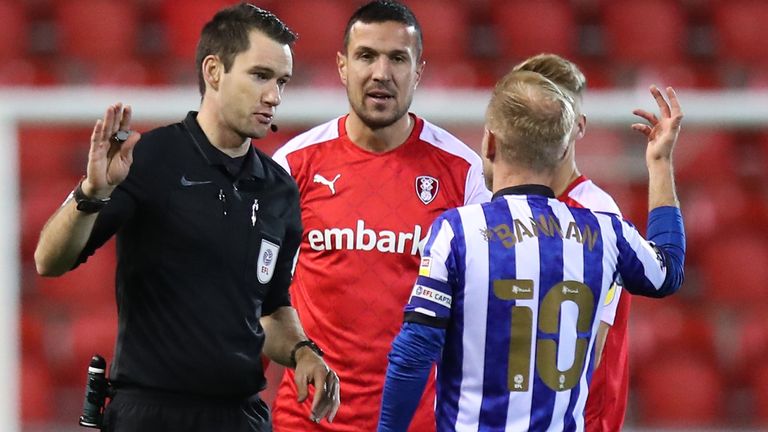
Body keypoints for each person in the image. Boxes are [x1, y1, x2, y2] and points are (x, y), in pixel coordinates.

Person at [33, 4, 339, 431]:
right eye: (260, 76)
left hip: (240, 415)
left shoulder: (280, 191)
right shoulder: (148, 159)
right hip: (150, 414)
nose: (275, 95)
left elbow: (269, 310)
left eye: (281, 81)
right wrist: (91, 193)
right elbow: (49, 261)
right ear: (214, 71)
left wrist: (304, 351)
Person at [377, 71, 686, 431]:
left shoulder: (456, 231)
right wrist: (661, 164)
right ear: (564, 151)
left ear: (490, 143)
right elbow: (670, 271)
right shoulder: (606, 232)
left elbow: (414, 352)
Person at [270, 1, 490, 431]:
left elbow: (481, 312)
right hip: (305, 420)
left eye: (397, 58)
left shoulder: (465, 174)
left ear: (419, 71)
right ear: (342, 66)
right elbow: (258, 299)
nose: (381, 73)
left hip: (419, 422)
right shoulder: (293, 166)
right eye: (366, 56)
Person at [513, 53, 630, 431]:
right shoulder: (502, 210)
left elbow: (587, 350)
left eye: (552, 120)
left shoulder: (596, 216)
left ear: (577, 126)